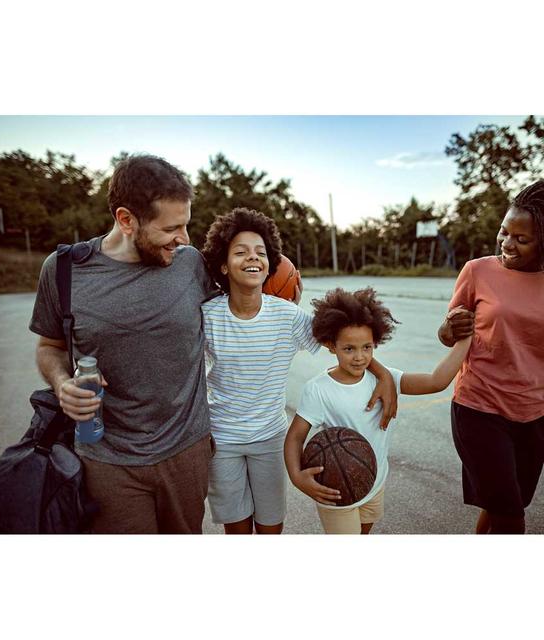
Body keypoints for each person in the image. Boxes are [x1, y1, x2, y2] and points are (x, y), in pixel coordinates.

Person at [29, 154, 218, 534]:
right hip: (107, 458)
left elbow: (243, 314)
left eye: (186, 224)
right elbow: (50, 346)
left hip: (187, 451)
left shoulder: (191, 264)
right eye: (171, 228)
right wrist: (62, 384)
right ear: (126, 219)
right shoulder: (63, 271)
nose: (184, 238)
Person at [200, 209, 398, 534]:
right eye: (240, 252)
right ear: (223, 264)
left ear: (270, 264)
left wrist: (383, 374)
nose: (253, 258)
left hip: (269, 437)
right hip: (222, 439)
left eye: (260, 253)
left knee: (270, 527)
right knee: (236, 529)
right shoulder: (208, 316)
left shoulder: (287, 316)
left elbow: (341, 342)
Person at [284, 287, 472, 534]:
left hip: (375, 480)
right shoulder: (319, 389)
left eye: (367, 347)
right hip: (336, 485)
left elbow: (437, 381)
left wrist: (467, 337)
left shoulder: (387, 380)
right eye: (349, 349)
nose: (359, 357)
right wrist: (297, 478)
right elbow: (295, 437)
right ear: (331, 345)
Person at [438, 179, 544, 534]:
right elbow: (446, 335)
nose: (507, 244)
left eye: (521, 239)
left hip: (534, 414)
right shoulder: (478, 271)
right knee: (511, 517)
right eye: (504, 232)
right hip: (478, 407)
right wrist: (451, 325)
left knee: (506, 506)